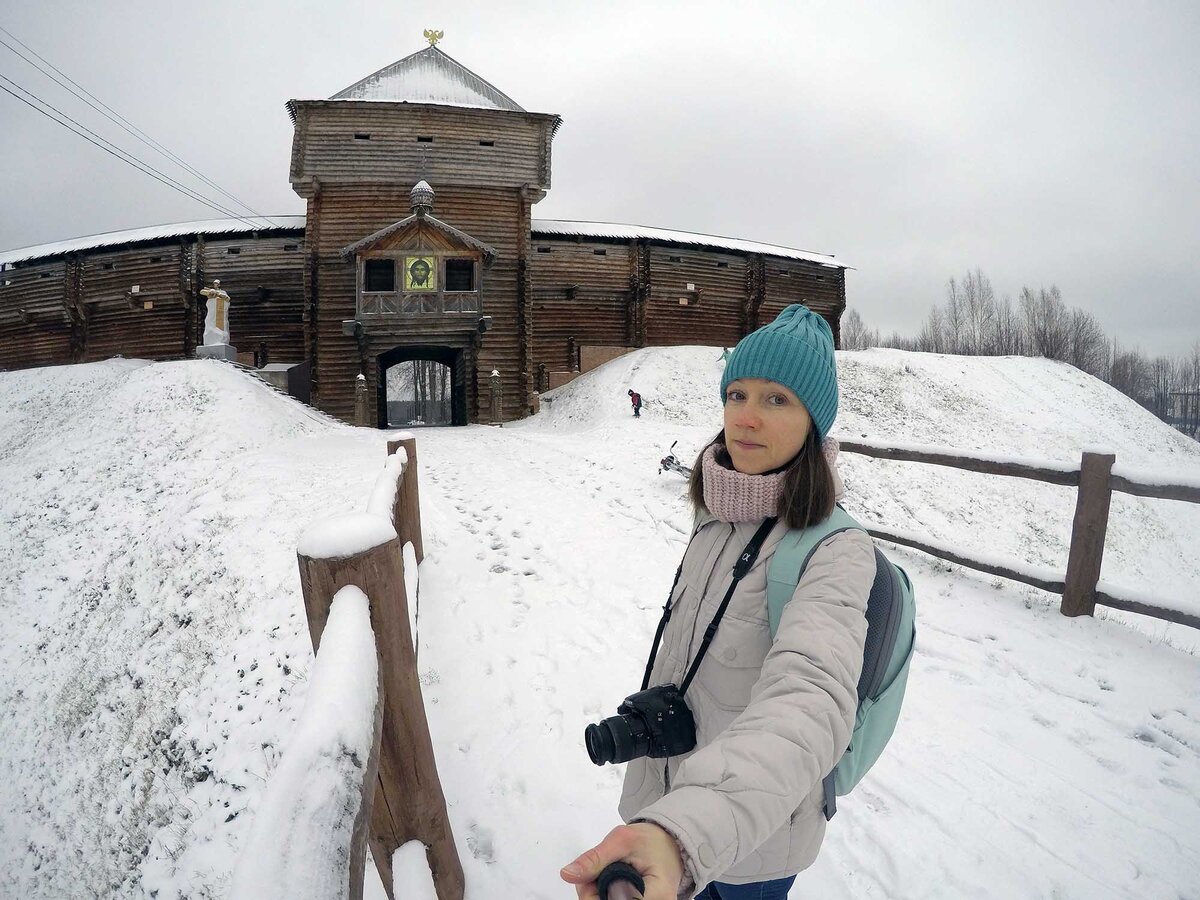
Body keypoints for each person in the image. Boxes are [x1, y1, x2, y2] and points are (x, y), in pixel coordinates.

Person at [563, 304, 874, 900]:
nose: (746, 417)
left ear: (815, 421)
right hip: (667, 803)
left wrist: (685, 836)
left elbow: (808, 704)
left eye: (777, 400)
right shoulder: (717, 515)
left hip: (748, 844)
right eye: (737, 394)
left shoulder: (835, 551)